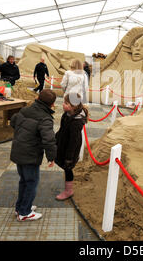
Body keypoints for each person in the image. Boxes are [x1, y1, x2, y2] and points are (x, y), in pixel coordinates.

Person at [10, 89, 57, 221]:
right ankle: (25, 212)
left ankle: (20, 207)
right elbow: (49, 139)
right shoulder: (45, 118)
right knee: (31, 182)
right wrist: (51, 157)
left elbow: (13, 121)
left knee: (23, 181)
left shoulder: (25, 110)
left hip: (18, 150)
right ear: (52, 104)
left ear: (37, 97)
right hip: (30, 155)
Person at [54, 93, 88, 200]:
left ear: (73, 106)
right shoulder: (67, 114)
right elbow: (62, 129)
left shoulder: (76, 121)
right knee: (64, 166)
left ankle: (68, 190)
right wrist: (56, 138)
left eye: (66, 103)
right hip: (63, 142)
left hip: (70, 148)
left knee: (68, 168)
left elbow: (74, 141)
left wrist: (69, 157)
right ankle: (68, 188)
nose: (63, 105)